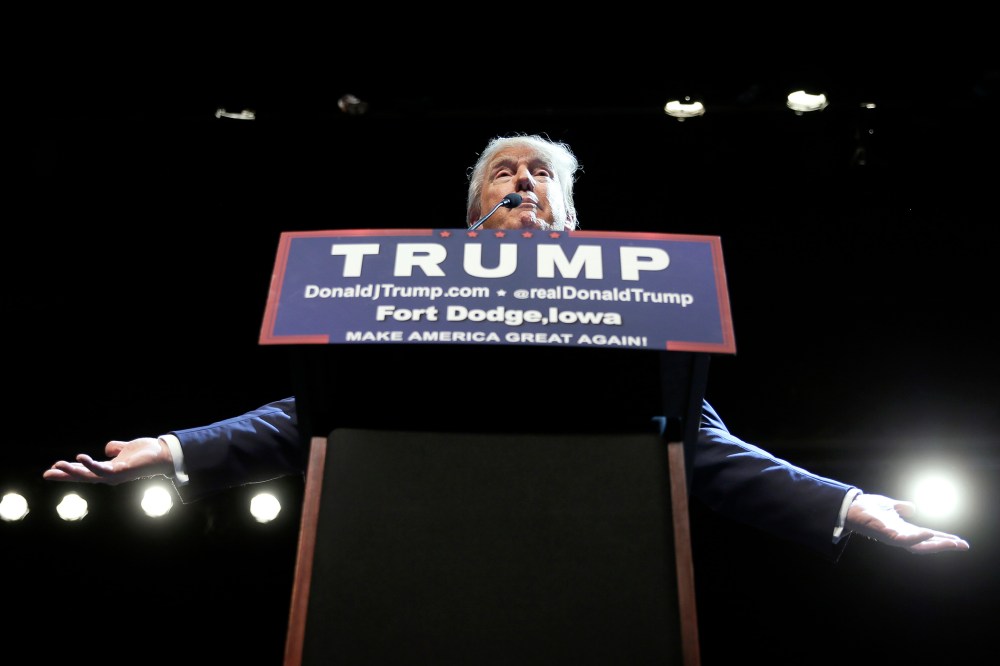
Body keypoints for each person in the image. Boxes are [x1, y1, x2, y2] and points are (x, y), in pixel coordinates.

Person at [42, 133, 970, 561]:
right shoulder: (406, 291)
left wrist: (852, 507)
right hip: (401, 562)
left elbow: (704, 451)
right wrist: (168, 450)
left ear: (572, 216)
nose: (521, 182)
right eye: (503, 172)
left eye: (540, 175)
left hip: (592, 566)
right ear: (470, 213)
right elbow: (311, 416)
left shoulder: (630, 304)